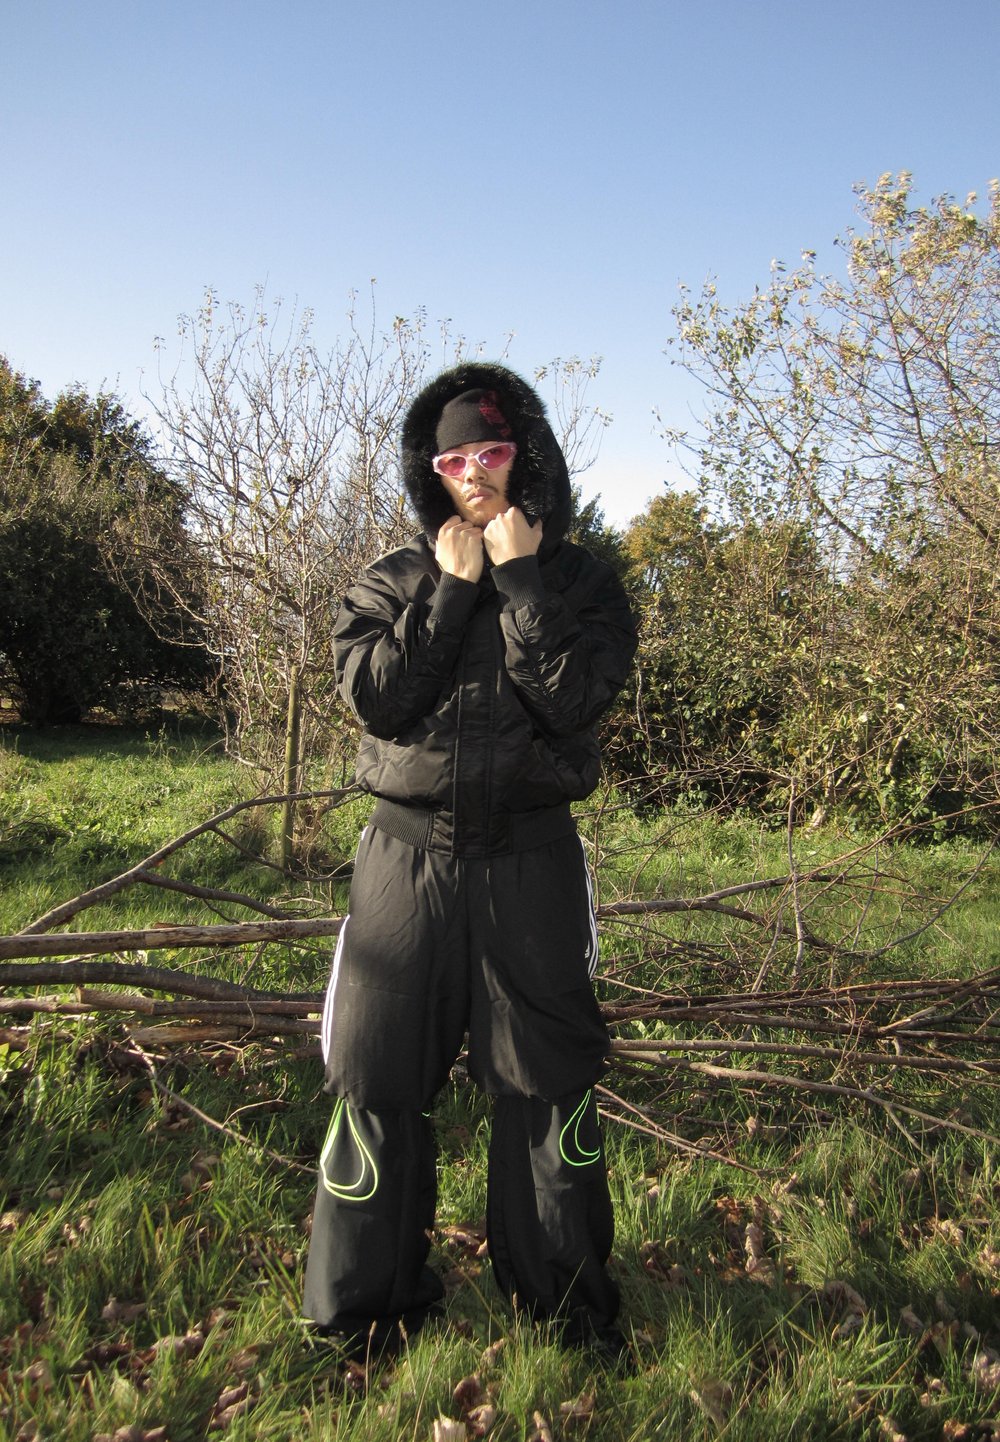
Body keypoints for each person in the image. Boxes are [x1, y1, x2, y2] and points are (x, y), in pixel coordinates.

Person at [302, 362, 638, 1362]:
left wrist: (521, 575)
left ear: (521, 455)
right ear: (431, 470)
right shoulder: (390, 581)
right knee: (375, 1078)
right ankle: (362, 1315)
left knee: (548, 1084)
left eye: (490, 452)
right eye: (454, 458)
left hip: (531, 863)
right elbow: (380, 701)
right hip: (406, 869)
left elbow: (574, 700)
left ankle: (563, 1311)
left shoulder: (582, 582)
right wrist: (450, 592)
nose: (474, 473)